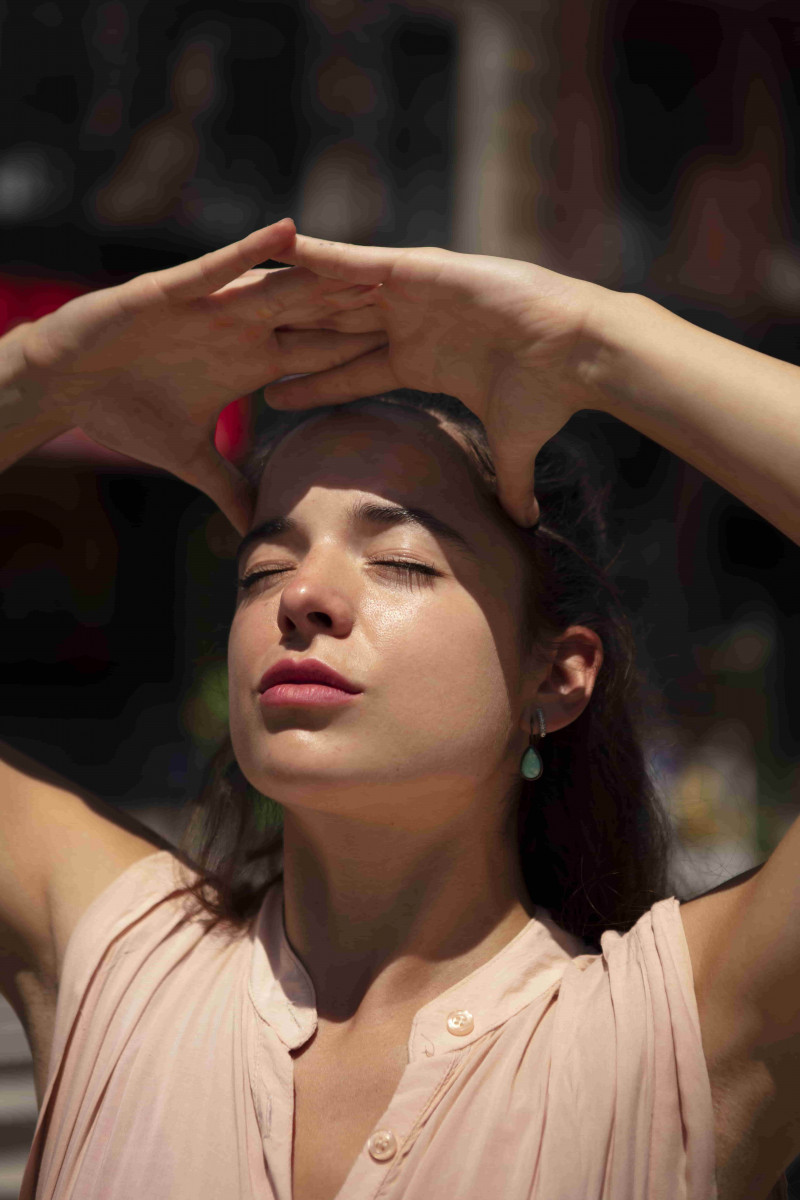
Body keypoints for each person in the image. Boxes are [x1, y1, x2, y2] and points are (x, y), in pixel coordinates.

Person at [1, 217, 798, 1200]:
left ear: (553, 677)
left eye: (400, 561)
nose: (304, 597)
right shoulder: (117, 954)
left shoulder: (675, 1030)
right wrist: (42, 373)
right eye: (263, 570)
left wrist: (597, 344)